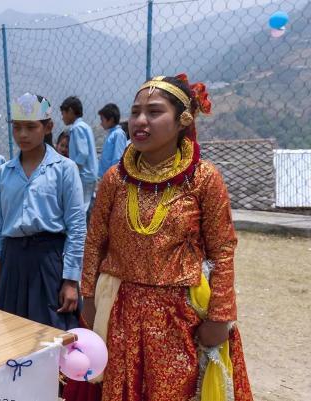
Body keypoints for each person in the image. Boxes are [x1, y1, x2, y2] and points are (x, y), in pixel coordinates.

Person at [79, 74, 253, 401]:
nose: (140, 121)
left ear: (182, 120)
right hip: (119, 312)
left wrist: (220, 316)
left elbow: (223, 250)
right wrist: (88, 296)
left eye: (154, 112)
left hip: (180, 318)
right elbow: (95, 241)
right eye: (135, 111)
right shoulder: (114, 180)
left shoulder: (204, 179)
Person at [0, 93, 86, 330]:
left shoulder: (64, 169)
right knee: (14, 333)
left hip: (49, 262)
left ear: (48, 127)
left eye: (31, 127)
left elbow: (76, 226)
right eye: (17, 127)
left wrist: (71, 280)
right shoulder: (3, 174)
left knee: (52, 334)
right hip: (13, 263)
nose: (23, 134)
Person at [60, 96, 98, 212]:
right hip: (89, 173)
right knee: (86, 204)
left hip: (84, 175)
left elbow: (83, 153)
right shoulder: (84, 126)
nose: (62, 118)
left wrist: (73, 169)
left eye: (63, 113)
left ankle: (83, 229)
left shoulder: (77, 128)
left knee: (81, 207)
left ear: (70, 111)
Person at [97, 103, 128, 178]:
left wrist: (112, 178)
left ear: (111, 120)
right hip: (105, 176)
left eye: (102, 120)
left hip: (111, 177)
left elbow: (118, 158)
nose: (101, 123)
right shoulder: (111, 134)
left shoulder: (118, 134)